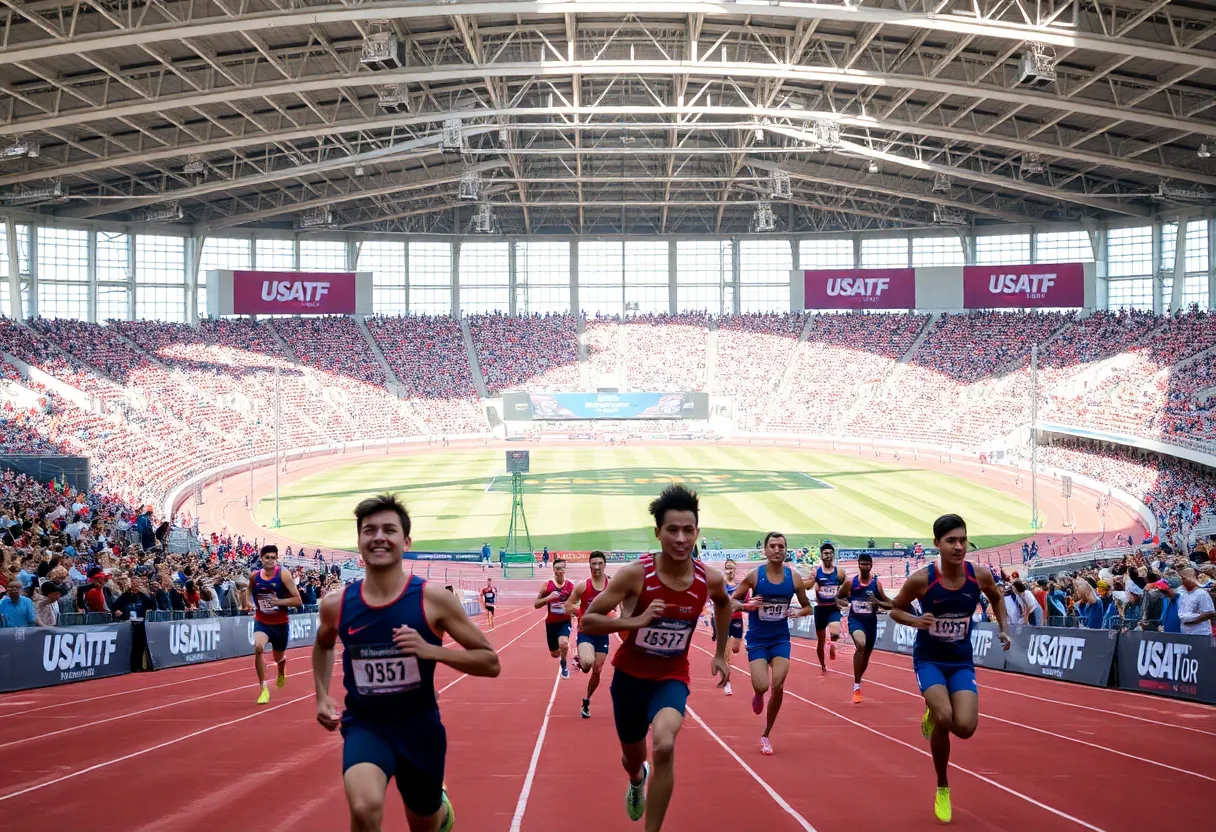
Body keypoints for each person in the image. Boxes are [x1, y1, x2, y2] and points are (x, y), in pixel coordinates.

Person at [313, 494, 500, 832]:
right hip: (365, 724)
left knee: (424, 823)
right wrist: (322, 694)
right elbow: (324, 644)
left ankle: (439, 809)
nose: (379, 537)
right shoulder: (336, 604)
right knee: (364, 807)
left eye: (389, 529)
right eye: (369, 530)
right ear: (359, 541)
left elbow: (490, 662)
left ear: (406, 541)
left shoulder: (434, 599)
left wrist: (434, 652)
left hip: (419, 728)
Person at [581, 484, 732, 831]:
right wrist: (632, 621)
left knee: (664, 745)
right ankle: (637, 779)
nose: (681, 539)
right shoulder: (637, 574)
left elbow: (724, 603)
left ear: (697, 532)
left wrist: (721, 653)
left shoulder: (707, 579)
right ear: (658, 533)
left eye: (688, 530)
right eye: (672, 530)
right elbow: (589, 619)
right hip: (630, 679)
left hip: (671, 677)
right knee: (633, 760)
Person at [889, 514, 1010, 824]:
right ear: (937, 545)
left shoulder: (979, 576)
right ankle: (942, 786)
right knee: (945, 716)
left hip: (960, 661)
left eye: (962, 540)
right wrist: (917, 621)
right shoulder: (922, 579)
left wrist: (1003, 628)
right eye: (951, 541)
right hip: (929, 660)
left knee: (965, 728)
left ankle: (934, 713)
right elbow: (895, 610)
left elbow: (997, 598)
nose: (958, 547)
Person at [731, 532, 813, 755]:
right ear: (765, 551)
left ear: (786, 550)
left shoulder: (793, 578)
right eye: (773, 546)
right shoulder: (754, 576)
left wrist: (797, 611)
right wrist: (747, 605)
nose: (777, 550)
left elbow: (808, 607)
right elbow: (731, 603)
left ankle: (766, 734)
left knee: (778, 684)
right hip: (757, 639)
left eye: (781, 546)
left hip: (780, 638)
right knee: (762, 686)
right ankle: (758, 695)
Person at [245, 544, 302, 704]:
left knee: (278, 657)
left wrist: (278, 601)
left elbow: (298, 600)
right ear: (261, 559)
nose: (270, 561)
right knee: (258, 648)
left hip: (280, 624)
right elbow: (248, 590)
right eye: (266, 557)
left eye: (273, 558)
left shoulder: (284, 575)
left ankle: (281, 668)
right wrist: (247, 603)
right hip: (262, 621)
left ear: (277, 559)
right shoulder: (254, 576)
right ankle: (264, 688)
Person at [834, 553, 892, 703]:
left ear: (871, 566)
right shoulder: (851, 583)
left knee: (865, 657)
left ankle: (858, 679)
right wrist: (844, 604)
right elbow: (837, 597)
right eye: (862, 564)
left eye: (867, 564)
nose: (865, 567)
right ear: (858, 565)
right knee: (861, 644)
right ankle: (856, 686)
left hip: (871, 623)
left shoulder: (876, 584)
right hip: (855, 621)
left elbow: (890, 604)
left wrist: (877, 602)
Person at [566, 550, 611, 718]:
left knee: (597, 669)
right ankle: (581, 659)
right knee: (586, 665)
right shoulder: (583, 586)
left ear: (605, 565)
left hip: (603, 633)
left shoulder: (612, 585)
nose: (597, 567)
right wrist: (582, 612)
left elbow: (620, 605)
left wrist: (617, 616)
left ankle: (587, 700)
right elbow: (568, 605)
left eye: (600, 563)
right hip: (586, 631)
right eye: (594, 564)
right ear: (589, 565)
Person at [805, 542, 845, 671]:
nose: (828, 556)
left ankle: (832, 643)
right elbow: (808, 586)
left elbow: (846, 587)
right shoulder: (816, 571)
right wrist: (811, 580)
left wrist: (843, 598)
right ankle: (822, 664)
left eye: (830, 553)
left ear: (833, 555)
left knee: (835, 633)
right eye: (825, 553)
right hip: (820, 609)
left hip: (833, 608)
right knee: (820, 641)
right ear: (821, 556)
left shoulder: (839, 572)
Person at [711, 557, 747, 696]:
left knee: (736, 648)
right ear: (724, 569)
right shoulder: (720, 585)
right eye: (727, 568)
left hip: (737, 619)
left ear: (735, 569)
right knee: (727, 651)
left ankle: (720, 656)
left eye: (731, 567)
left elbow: (746, 602)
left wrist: (744, 605)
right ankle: (726, 681)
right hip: (722, 620)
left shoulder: (740, 585)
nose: (729, 570)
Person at [534, 557, 574, 678]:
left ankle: (564, 664)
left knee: (563, 644)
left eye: (562, 568)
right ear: (554, 570)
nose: (560, 571)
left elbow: (577, 603)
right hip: (551, 623)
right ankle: (559, 656)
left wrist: (571, 608)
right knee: (554, 654)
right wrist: (548, 598)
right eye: (558, 568)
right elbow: (536, 604)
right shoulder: (547, 586)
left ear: (565, 570)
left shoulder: (570, 586)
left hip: (564, 622)